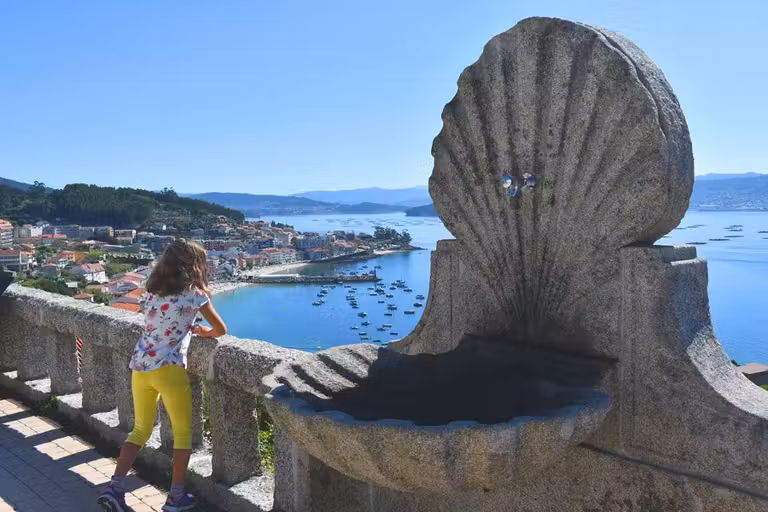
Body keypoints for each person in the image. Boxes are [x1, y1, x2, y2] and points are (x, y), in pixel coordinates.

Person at [98, 239, 227, 512]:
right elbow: (220, 329)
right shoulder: (195, 295)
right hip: (169, 369)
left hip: (141, 366)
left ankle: (115, 488)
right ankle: (176, 497)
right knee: (182, 436)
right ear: (194, 266)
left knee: (140, 430)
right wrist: (203, 332)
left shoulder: (152, 292)